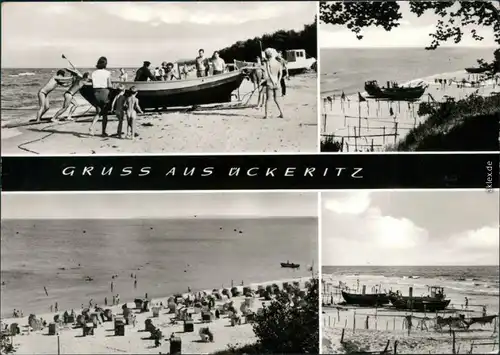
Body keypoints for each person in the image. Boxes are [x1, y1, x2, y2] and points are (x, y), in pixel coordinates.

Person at [89, 56, 112, 137]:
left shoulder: (93, 73)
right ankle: (103, 132)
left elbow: (93, 85)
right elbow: (109, 85)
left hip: (96, 93)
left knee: (98, 112)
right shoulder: (107, 73)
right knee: (105, 114)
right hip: (104, 92)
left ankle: (91, 127)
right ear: (105, 64)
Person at [263, 48, 284, 119]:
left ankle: (267, 115)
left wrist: (272, 81)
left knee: (268, 99)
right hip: (277, 83)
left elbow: (268, 73)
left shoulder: (268, 63)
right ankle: (282, 113)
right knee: (277, 99)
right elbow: (281, 73)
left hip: (270, 83)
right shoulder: (278, 63)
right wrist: (278, 81)